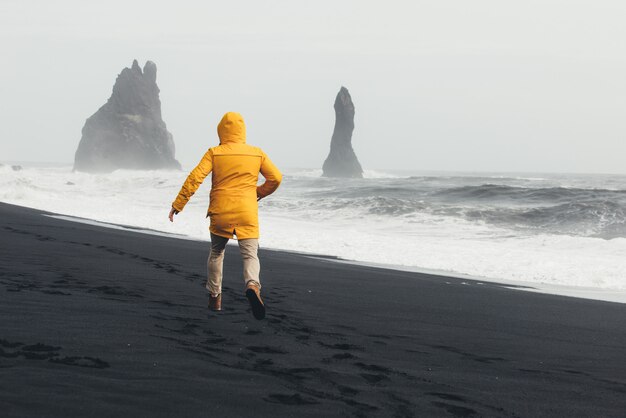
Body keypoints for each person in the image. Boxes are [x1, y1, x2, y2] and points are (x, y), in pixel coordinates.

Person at [169, 112, 282, 320]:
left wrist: (179, 203)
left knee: (217, 252)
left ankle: (215, 297)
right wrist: (257, 192)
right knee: (250, 254)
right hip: (247, 212)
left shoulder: (215, 152)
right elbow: (276, 178)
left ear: (221, 131)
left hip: (221, 212)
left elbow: (195, 178)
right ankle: (252, 285)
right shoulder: (257, 153)